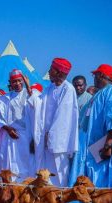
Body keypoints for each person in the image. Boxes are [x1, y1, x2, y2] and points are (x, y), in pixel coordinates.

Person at [69, 64, 112, 188]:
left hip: (101, 146)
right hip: (91, 146)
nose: (94, 78)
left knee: (103, 177)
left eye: (95, 75)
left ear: (101, 75)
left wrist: (108, 144)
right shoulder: (99, 93)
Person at [30, 58, 79, 188]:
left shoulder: (68, 89)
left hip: (59, 143)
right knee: (45, 173)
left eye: (51, 70)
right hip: (45, 139)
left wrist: (50, 136)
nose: (49, 72)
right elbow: (39, 105)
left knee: (58, 174)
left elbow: (63, 118)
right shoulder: (49, 88)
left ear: (59, 72)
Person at [0, 69, 34, 182]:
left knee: (27, 166)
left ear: (24, 81)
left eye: (20, 81)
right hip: (11, 138)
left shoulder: (31, 95)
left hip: (27, 138)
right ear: (10, 83)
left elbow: (38, 113)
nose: (17, 84)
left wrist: (34, 138)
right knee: (10, 165)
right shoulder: (4, 99)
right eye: (14, 81)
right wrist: (7, 129)